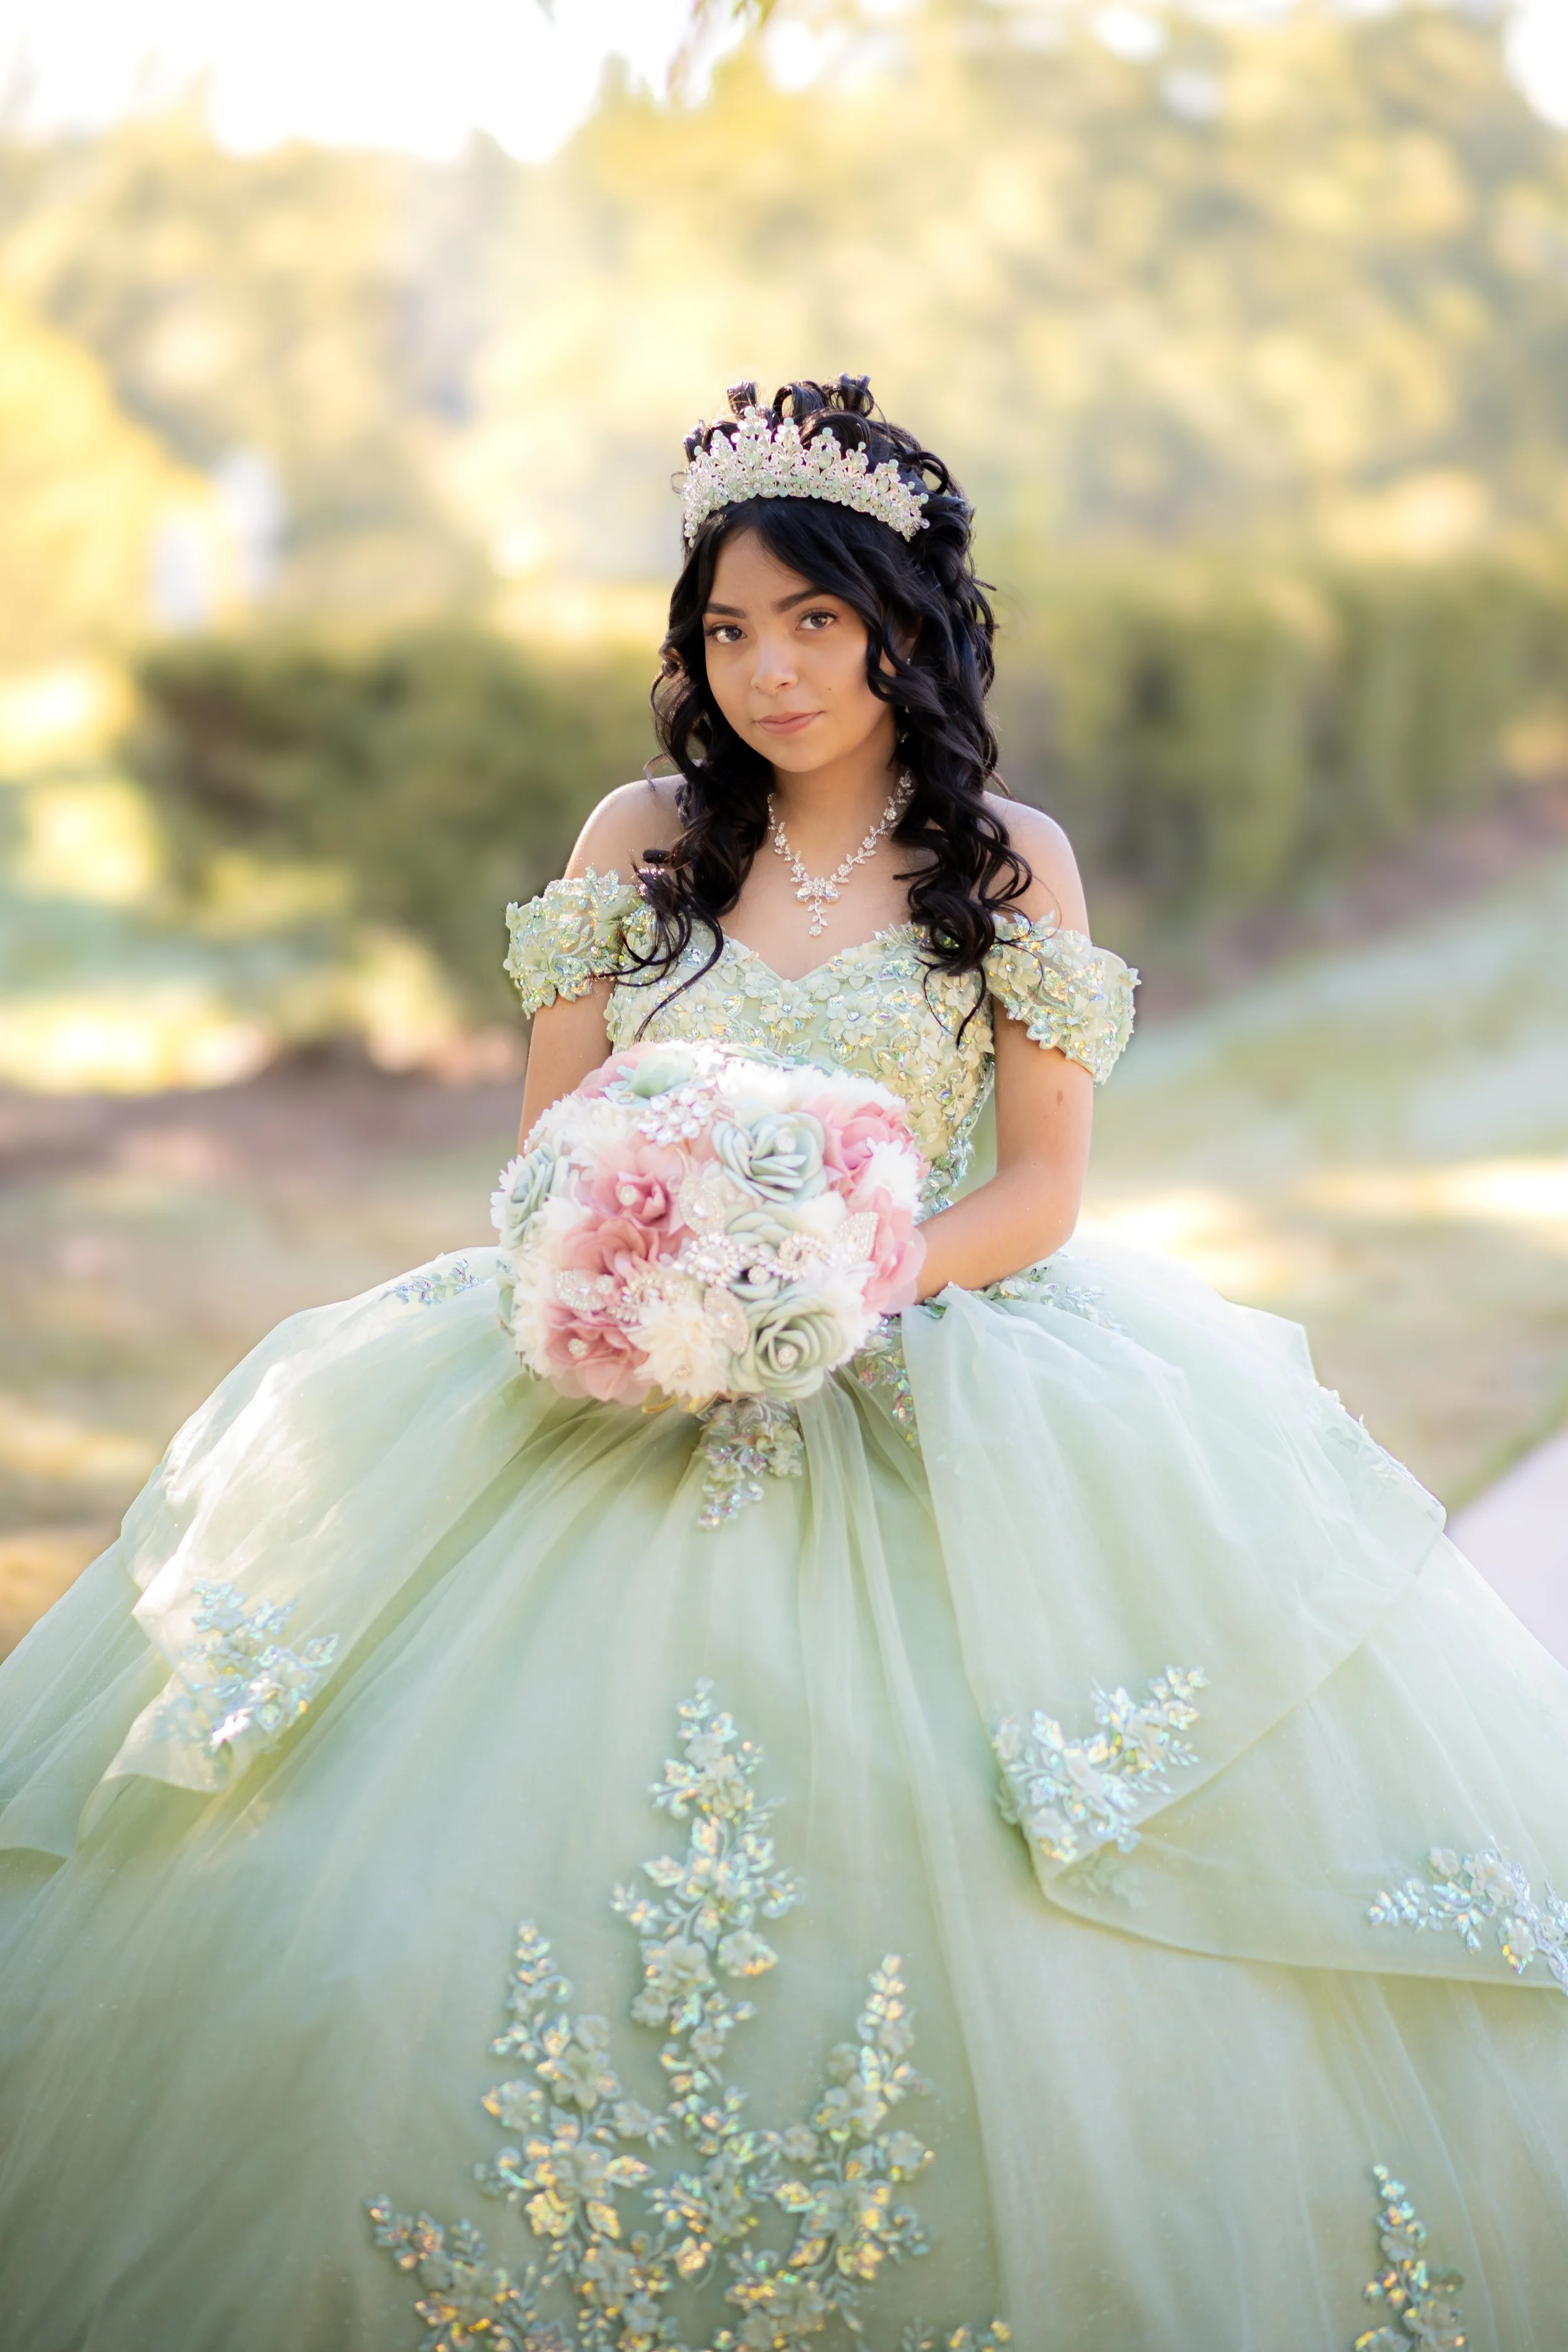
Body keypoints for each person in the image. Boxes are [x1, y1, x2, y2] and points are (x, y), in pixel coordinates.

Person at [1, 376, 1565, 2352]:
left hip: (918, 1356)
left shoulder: (1008, 863)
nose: (770, 671)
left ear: (904, 626)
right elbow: (548, 1150)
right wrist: (639, 1282)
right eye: (729, 630)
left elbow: (1042, 1189)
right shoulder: (638, 837)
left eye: (814, 621)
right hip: (612, 1376)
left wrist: (834, 1283)